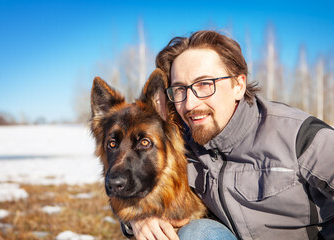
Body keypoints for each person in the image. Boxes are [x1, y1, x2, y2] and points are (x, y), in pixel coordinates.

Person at [123, 30, 334, 240]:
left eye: (205, 84)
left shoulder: (297, 135)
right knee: (197, 233)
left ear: (239, 86)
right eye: (180, 89)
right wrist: (138, 220)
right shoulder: (181, 142)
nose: (190, 104)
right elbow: (130, 176)